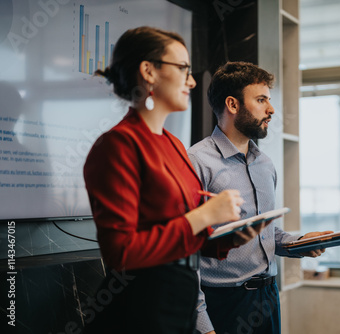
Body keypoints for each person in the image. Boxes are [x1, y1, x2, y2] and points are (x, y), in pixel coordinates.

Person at [83, 28, 265, 334]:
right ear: (148, 71)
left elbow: (181, 231)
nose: (191, 81)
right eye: (183, 69)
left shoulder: (173, 145)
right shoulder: (117, 145)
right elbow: (121, 252)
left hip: (176, 302)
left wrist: (227, 237)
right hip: (139, 307)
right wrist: (205, 215)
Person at [187, 61, 333, 334]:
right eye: (261, 99)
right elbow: (187, 249)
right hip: (223, 303)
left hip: (267, 298)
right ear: (233, 104)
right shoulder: (196, 162)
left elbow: (263, 234)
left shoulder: (264, 163)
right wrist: (202, 324)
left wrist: (298, 243)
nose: (271, 109)